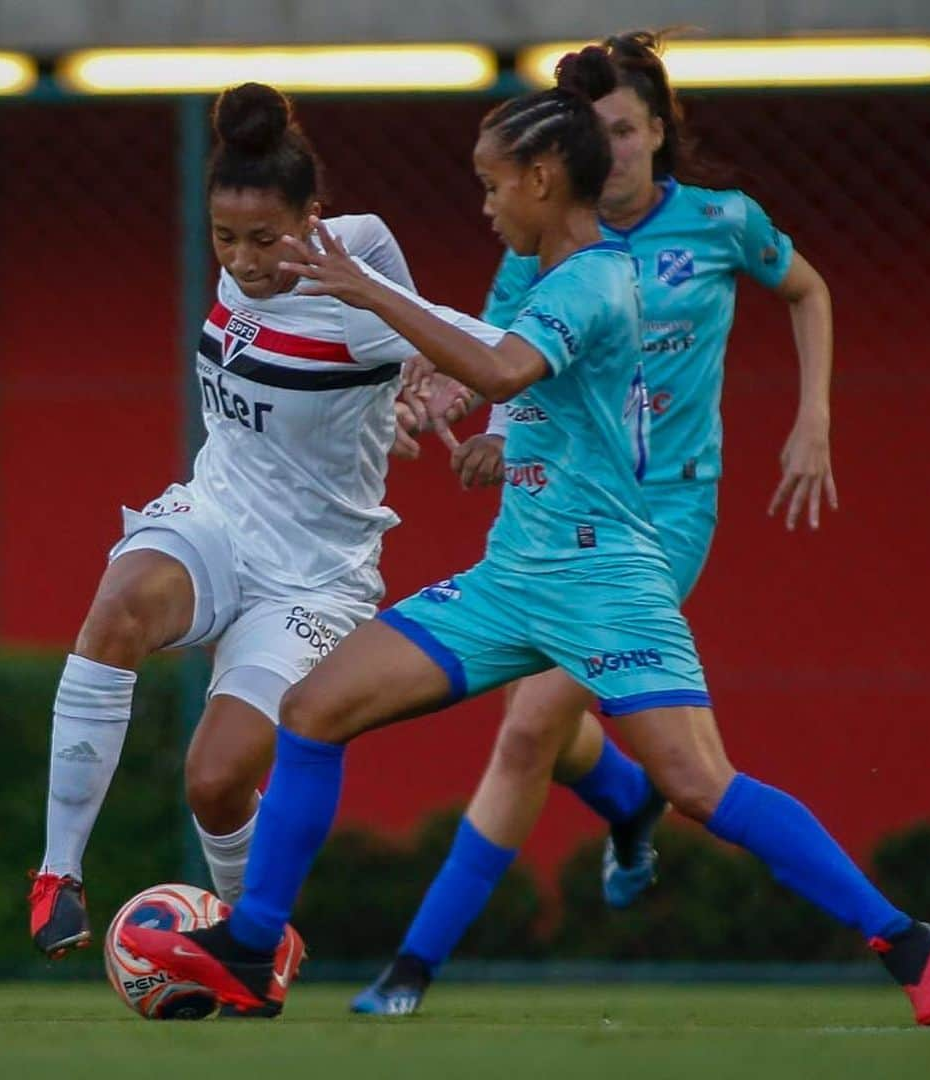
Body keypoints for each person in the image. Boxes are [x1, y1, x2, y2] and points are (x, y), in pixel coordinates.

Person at [119, 50, 930, 1027]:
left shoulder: (595, 280)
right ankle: (253, 943)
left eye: (490, 186)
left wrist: (370, 295)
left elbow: (508, 369)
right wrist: (446, 402)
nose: (484, 207)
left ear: (541, 180)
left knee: (697, 783)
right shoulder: (544, 274)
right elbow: (501, 381)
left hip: (606, 577)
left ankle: (908, 938)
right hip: (514, 577)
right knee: (313, 709)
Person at [352, 28, 839, 1015]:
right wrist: (468, 422)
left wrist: (813, 421)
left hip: (660, 522)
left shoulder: (721, 222)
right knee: (548, 727)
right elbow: (496, 368)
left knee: (530, 724)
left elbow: (807, 290)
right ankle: (625, 799)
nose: (613, 148)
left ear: (660, 131)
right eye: (596, 131)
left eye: (626, 128)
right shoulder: (539, 252)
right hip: (564, 519)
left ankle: (411, 970)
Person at [26, 82, 492, 991]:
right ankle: (59, 872)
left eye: (265, 240)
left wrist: (453, 386)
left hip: (315, 580)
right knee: (117, 609)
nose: (242, 263)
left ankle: (251, 944)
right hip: (216, 518)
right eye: (224, 239)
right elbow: (392, 262)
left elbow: (511, 351)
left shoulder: (352, 302)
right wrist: (418, 358)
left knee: (215, 781)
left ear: (308, 223)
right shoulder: (349, 236)